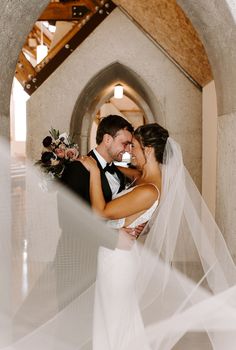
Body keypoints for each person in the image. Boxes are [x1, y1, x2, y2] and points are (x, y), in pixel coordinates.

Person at [61, 114, 134, 205]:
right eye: (125, 144)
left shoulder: (119, 174)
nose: (128, 150)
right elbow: (69, 212)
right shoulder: (77, 168)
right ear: (107, 139)